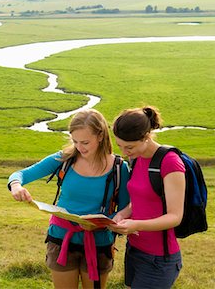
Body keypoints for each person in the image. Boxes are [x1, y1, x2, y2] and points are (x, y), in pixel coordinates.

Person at [8, 109, 130, 289]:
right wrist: (16, 186)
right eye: (75, 141)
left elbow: (126, 208)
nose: (80, 147)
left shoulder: (120, 168)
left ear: (101, 136)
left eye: (86, 142)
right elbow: (19, 174)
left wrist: (108, 222)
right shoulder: (64, 158)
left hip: (99, 243)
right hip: (60, 239)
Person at [110, 106, 186, 289]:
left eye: (129, 147)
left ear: (146, 137)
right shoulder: (136, 158)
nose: (125, 152)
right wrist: (123, 214)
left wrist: (136, 225)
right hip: (134, 250)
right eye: (120, 146)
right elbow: (139, 200)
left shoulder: (170, 162)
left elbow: (175, 217)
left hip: (159, 259)